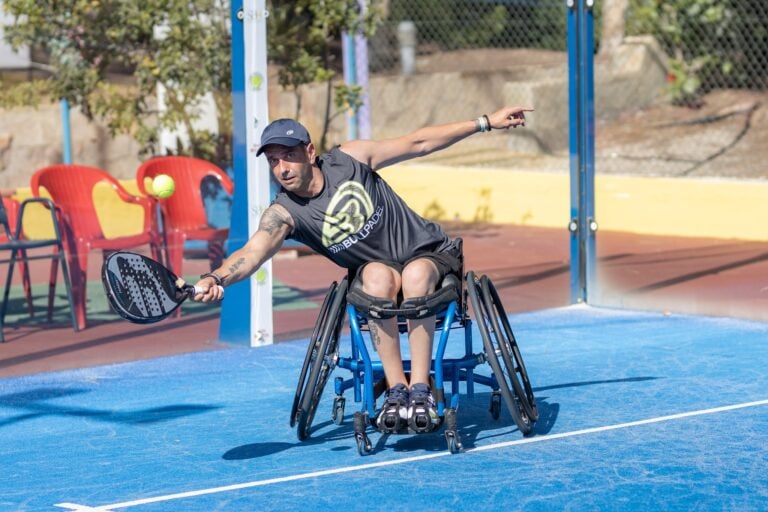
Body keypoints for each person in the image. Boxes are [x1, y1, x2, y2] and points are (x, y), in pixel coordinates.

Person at [193, 106, 533, 433]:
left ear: (309, 152)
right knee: (375, 276)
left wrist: (484, 122)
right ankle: (397, 391)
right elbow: (253, 251)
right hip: (378, 276)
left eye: (289, 156)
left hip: (429, 255)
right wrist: (215, 277)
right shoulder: (284, 213)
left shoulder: (350, 159)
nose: (282, 168)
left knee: (415, 275)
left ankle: (421, 389)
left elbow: (418, 142)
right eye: (273, 161)